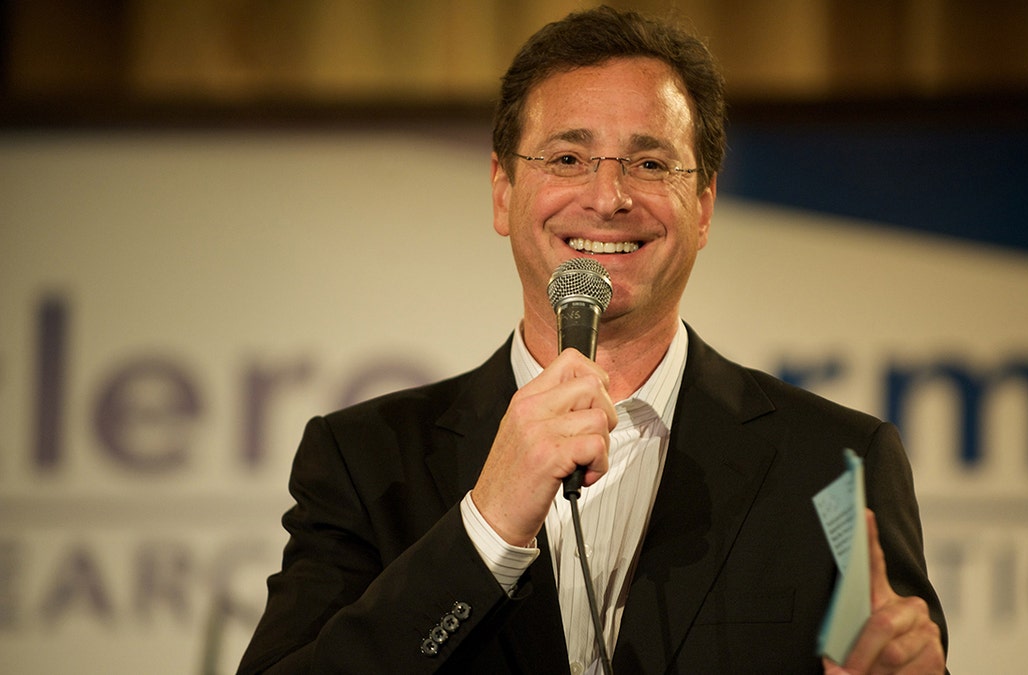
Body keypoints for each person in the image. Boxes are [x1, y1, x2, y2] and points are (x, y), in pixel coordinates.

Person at [238, 6, 948, 674]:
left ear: (703, 208)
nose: (609, 197)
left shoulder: (833, 464)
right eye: (568, 159)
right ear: (501, 190)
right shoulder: (365, 459)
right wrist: (486, 529)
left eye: (650, 163)